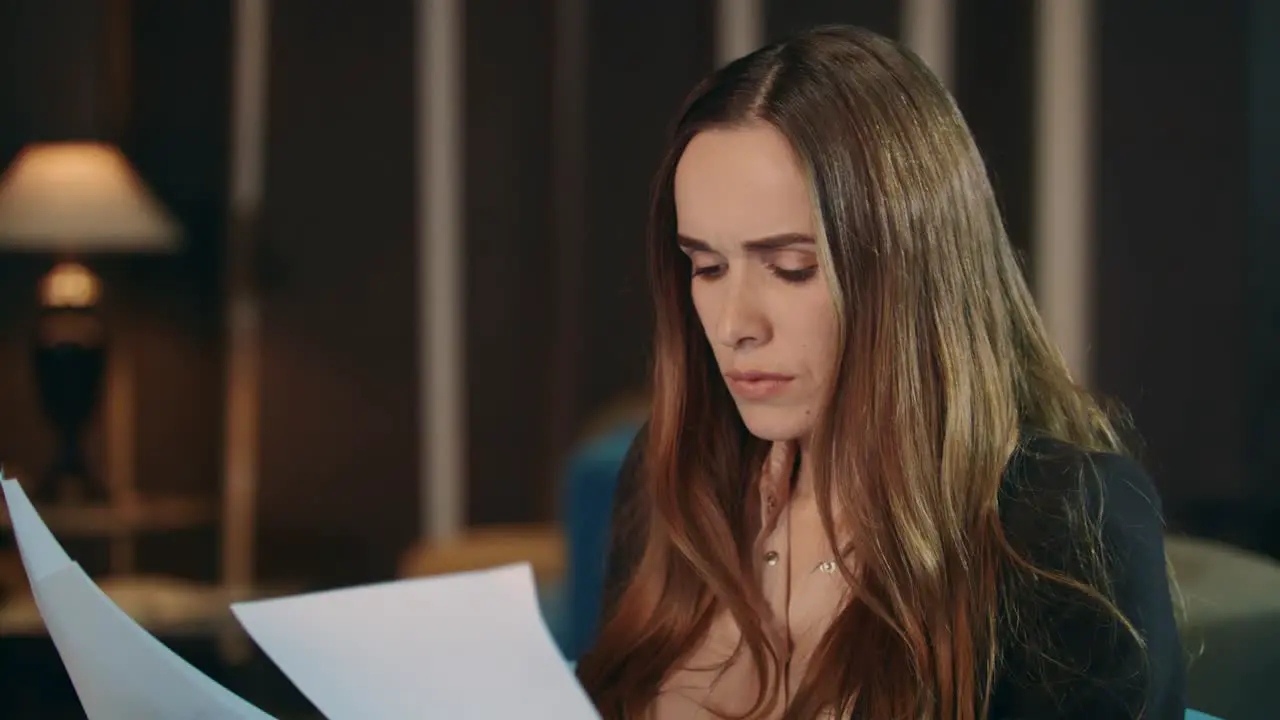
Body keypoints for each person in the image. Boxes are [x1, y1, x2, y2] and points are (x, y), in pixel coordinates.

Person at [574, 25, 1186, 720]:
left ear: (908, 274)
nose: (734, 323)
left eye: (791, 268)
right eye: (707, 267)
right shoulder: (671, 478)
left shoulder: (1066, 525)